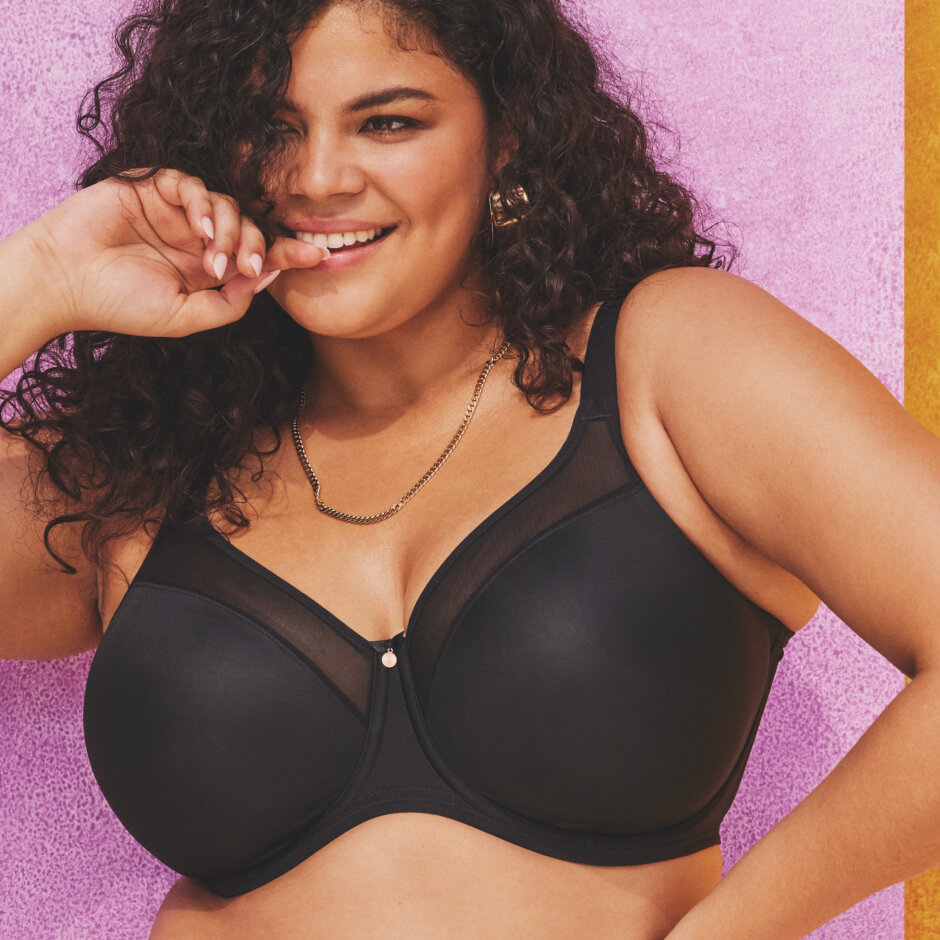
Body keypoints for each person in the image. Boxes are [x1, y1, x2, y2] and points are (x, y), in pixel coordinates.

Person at [0, 0, 936, 937]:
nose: (317, 177)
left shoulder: (666, 362)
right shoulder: (145, 472)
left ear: (506, 137)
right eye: (272, 128)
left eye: (387, 122)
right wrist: (43, 276)